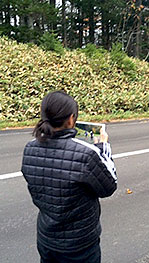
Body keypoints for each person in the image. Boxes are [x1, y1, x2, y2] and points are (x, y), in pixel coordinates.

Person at [21, 91, 117, 263]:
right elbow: (108, 186)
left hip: (46, 238)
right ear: (72, 119)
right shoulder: (85, 154)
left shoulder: (30, 148)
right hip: (79, 244)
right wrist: (103, 147)